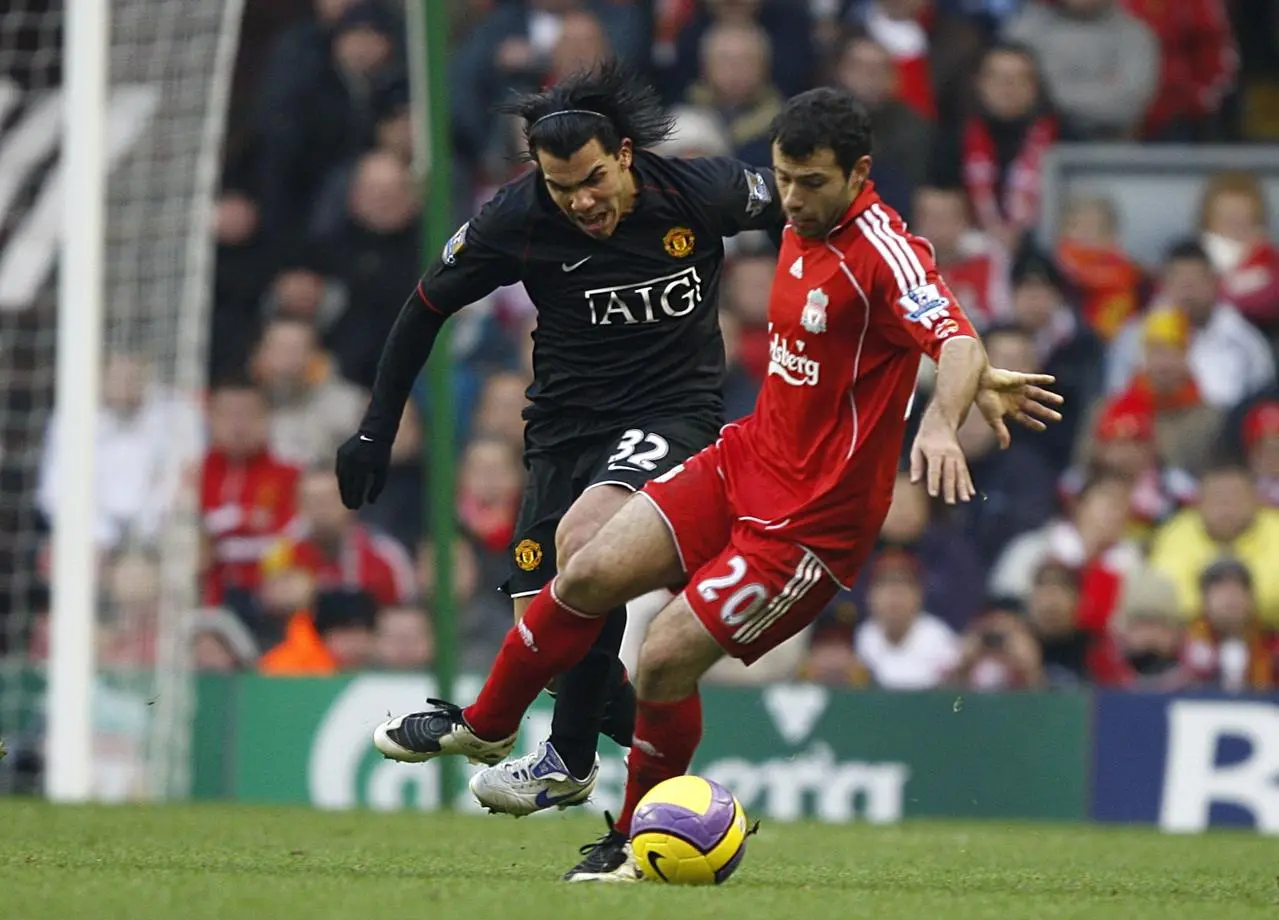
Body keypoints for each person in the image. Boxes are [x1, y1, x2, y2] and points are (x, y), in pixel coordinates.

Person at [369, 87, 1062, 881]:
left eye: (810, 184)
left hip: (807, 523)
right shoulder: (795, 221)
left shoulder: (882, 245)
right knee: (586, 568)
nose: (791, 204)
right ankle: (490, 727)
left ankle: (633, 839)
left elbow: (957, 339)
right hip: (742, 461)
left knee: (663, 656)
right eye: (783, 181)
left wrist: (941, 419)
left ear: (859, 172)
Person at [335, 61, 784, 816]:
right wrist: (375, 429)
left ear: (625, 158)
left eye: (594, 180)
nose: (582, 201)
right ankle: (653, 780)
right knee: (550, 641)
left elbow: (813, 209)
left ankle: (517, 739)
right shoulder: (516, 217)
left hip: (673, 417)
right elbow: (423, 308)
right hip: (561, 434)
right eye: (561, 185)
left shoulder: (698, 191)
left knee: (586, 541)